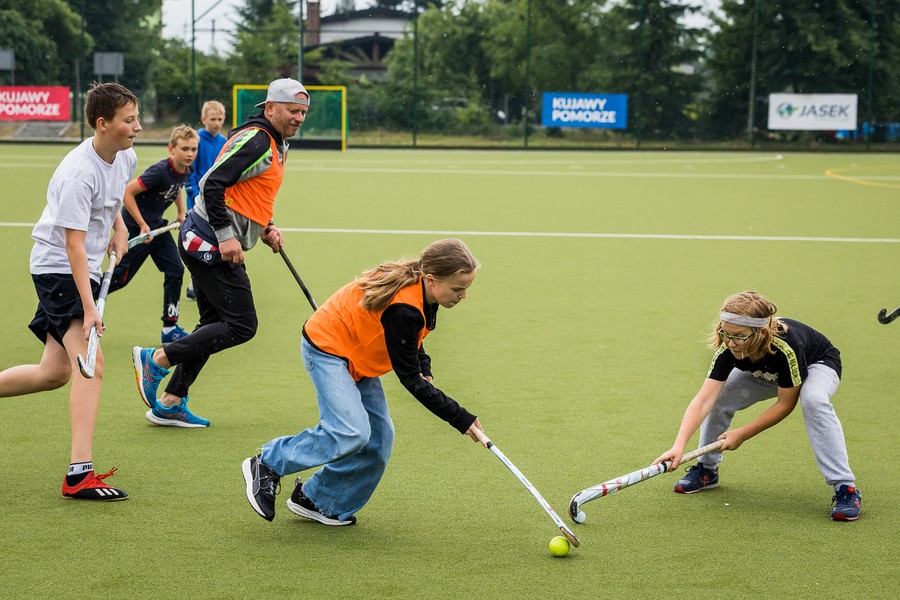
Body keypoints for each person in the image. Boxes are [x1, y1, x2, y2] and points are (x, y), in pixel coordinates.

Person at [241, 238, 486, 525]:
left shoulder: (422, 292)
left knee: (378, 441)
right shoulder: (404, 308)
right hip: (327, 349)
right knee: (351, 431)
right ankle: (268, 462)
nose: (463, 296)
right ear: (431, 279)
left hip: (357, 355)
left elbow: (410, 341)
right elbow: (408, 377)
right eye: (458, 289)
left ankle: (318, 500)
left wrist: (424, 366)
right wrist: (461, 419)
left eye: (466, 288)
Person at [131, 78, 309, 428]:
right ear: (270, 108)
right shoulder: (259, 140)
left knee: (213, 324)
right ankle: (157, 359)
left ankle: (171, 401)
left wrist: (265, 225)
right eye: (292, 110)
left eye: (303, 112)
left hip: (207, 236)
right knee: (243, 325)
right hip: (207, 240)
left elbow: (250, 190)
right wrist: (227, 237)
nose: (299, 117)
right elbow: (213, 182)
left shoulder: (275, 141)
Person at [0, 82, 141, 500]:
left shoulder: (126, 156)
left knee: (54, 372)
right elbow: (72, 245)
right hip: (58, 269)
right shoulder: (78, 173)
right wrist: (89, 307)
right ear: (103, 124)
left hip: (84, 266)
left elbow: (113, 200)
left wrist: (120, 228)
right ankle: (79, 474)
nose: (137, 126)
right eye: (129, 120)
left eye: (136, 117)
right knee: (89, 366)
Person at [653, 290, 862, 521]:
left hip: (815, 365)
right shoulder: (728, 347)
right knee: (721, 397)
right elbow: (704, 399)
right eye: (725, 333)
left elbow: (784, 404)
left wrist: (742, 434)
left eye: (739, 336)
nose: (730, 342)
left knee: (814, 400)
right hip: (764, 372)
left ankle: (845, 487)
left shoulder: (787, 348)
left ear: (761, 332)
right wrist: (678, 446)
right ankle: (707, 470)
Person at [108, 124, 197, 344]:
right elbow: (127, 193)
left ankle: (170, 327)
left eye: (193, 149)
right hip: (135, 230)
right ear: (171, 149)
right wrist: (140, 224)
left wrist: (181, 212)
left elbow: (178, 188)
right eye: (184, 149)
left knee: (176, 270)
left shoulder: (187, 170)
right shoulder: (159, 172)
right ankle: (79, 303)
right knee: (119, 279)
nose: (190, 154)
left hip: (157, 228)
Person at [184, 100, 227, 301]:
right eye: (212, 119)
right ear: (203, 120)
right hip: (197, 203)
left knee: (216, 243)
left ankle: (212, 284)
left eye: (220, 119)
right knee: (197, 245)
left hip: (216, 202)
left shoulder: (223, 142)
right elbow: (190, 172)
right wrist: (194, 194)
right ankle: (194, 285)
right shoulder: (197, 141)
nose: (216, 123)